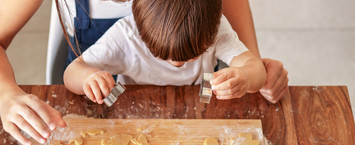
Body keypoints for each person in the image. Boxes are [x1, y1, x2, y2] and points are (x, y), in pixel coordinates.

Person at [0, 0, 288, 145]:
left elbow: (249, 64)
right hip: (111, 103)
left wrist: (256, 74)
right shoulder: (125, 36)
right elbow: (73, 74)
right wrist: (6, 93)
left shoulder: (212, 27)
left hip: (195, 105)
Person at [64, 0, 266, 104]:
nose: (177, 64)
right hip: (129, 101)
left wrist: (246, 77)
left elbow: (257, 69)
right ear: (141, 30)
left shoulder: (216, 28)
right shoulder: (126, 34)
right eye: (160, 54)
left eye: (192, 55)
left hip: (200, 98)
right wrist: (88, 78)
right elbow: (71, 73)